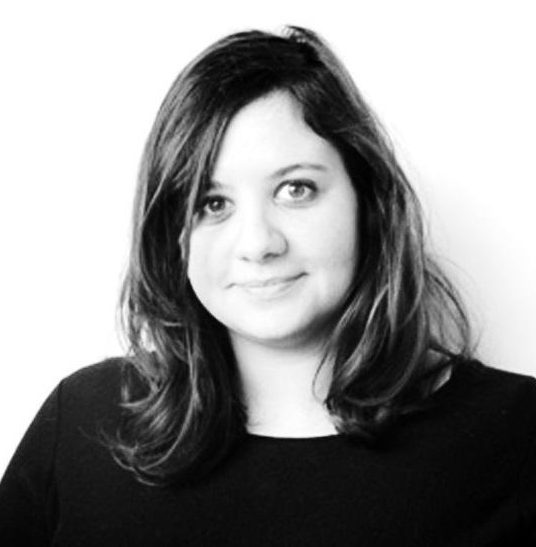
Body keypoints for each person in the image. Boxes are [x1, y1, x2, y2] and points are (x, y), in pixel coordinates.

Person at [0, 25, 535, 546]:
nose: (258, 243)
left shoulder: (517, 436)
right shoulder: (81, 422)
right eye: (213, 203)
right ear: (172, 235)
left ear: (367, 201)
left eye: (296, 189)